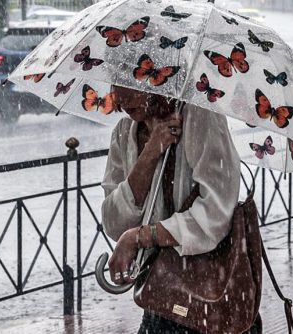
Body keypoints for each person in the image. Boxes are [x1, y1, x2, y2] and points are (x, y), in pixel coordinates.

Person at [101, 85, 243, 333]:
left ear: (157, 76)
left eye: (129, 81)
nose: (120, 96)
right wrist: (150, 153)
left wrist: (140, 237)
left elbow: (216, 213)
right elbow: (114, 223)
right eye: (115, 81)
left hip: (209, 294)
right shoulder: (124, 132)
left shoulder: (200, 115)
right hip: (159, 296)